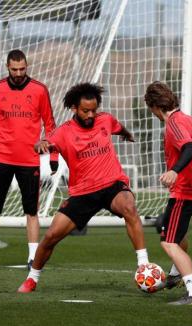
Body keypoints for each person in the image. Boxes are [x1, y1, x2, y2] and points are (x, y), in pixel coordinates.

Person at [17, 83, 149, 293]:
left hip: (112, 184)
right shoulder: (64, 132)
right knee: (51, 236)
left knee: (129, 208)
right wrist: (40, 145)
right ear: (74, 109)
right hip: (83, 193)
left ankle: (144, 265)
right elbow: (42, 143)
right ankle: (32, 278)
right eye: (85, 111)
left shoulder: (105, 120)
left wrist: (126, 133)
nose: (90, 115)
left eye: (93, 110)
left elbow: (117, 126)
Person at [0, 49, 57, 271]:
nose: (19, 73)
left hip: (30, 161)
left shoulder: (40, 90)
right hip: (1, 158)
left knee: (31, 211)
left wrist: (54, 156)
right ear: (7, 67)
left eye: (22, 69)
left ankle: (33, 259)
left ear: (27, 66)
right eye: (14, 69)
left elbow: (50, 125)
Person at [144, 81, 192, 306]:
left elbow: (189, 148)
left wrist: (174, 171)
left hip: (184, 192)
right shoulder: (187, 119)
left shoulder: (174, 124)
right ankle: (174, 274)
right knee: (174, 236)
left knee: (168, 243)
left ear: (154, 106)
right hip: (191, 190)